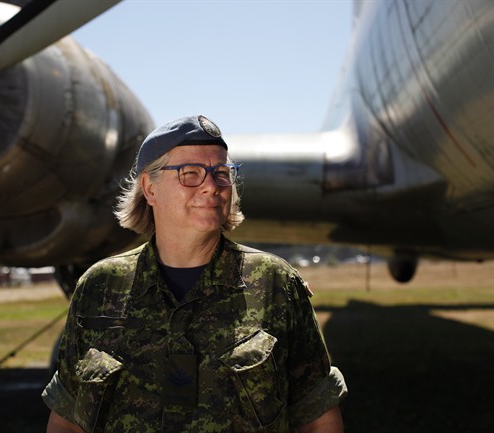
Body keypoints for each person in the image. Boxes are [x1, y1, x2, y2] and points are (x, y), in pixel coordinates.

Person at [42, 115, 347, 433]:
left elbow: (318, 416)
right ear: (150, 188)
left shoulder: (275, 282)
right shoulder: (99, 286)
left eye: (221, 174)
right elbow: (67, 419)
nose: (212, 187)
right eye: (191, 174)